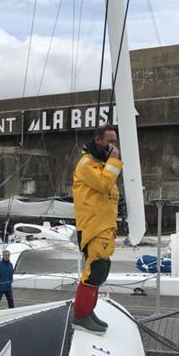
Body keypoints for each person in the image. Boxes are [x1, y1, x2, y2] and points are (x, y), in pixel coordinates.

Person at [71, 126, 123, 332]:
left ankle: (88, 311)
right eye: (109, 141)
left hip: (104, 226)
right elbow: (104, 184)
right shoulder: (86, 165)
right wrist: (115, 160)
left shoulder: (101, 164)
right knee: (95, 271)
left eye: (115, 142)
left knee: (101, 270)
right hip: (93, 226)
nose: (113, 146)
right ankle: (81, 316)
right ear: (97, 140)